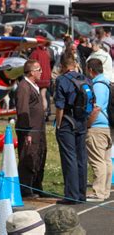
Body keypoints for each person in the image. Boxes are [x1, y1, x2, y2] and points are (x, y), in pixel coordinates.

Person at [54, 55, 91, 204]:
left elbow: (59, 106)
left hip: (67, 122)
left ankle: (71, 195)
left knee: (69, 158)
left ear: (63, 66)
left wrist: (58, 123)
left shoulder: (62, 80)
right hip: (81, 121)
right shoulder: (85, 79)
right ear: (74, 64)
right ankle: (82, 194)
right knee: (81, 158)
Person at [15, 59, 47, 199]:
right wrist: (26, 131)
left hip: (39, 130)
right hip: (30, 131)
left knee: (39, 156)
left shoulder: (34, 85)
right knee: (28, 157)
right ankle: (26, 190)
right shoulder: (24, 87)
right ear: (32, 72)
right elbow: (23, 110)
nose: (41, 72)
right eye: (39, 70)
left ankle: (37, 186)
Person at [85, 58, 112, 202]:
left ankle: (98, 192)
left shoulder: (98, 85)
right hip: (107, 126)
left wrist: (88, 124)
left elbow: (96, 107)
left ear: (90, 70)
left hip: (97, 127)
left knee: (97, 161)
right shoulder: (107, 82)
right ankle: (105, 190)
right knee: (106, 161)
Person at [30, 40, 52, 118]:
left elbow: (31, 65)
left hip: (38, 77)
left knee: (37, 97)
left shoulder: (35, 53)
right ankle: (44, 113)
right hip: (46, 77)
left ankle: (39, 114)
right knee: (43, 96)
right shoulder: (46, 53)